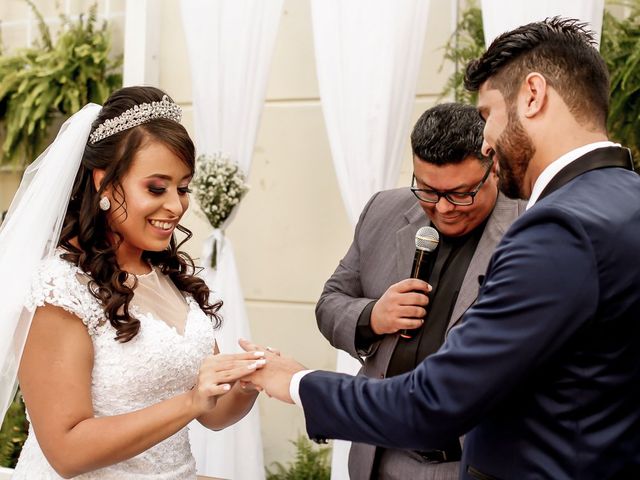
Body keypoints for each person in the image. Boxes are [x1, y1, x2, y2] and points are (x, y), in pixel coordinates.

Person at [242, 17, 640, 480]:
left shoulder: (555, 227)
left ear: (533, 95)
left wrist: (293, 381)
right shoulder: (627, 199)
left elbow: (432, 403)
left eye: (489, 113)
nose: (487, 139)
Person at [0, 86, 265, 479]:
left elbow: (216, 415)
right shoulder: (59, 288)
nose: (175, 206)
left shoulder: (169, 277)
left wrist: (246, 381)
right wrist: (191, 402)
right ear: (104, 183)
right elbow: (67, 450)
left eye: (183, 188)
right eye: (156, 188)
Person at [315, 102, 523, 480]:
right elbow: (329, 304)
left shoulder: (530, 225)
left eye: (460, 193)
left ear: (493, 168)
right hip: (376, 457)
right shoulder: (384, 209)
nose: (443, 208)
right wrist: (371, 317)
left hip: (470, 464)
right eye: (427, 190)